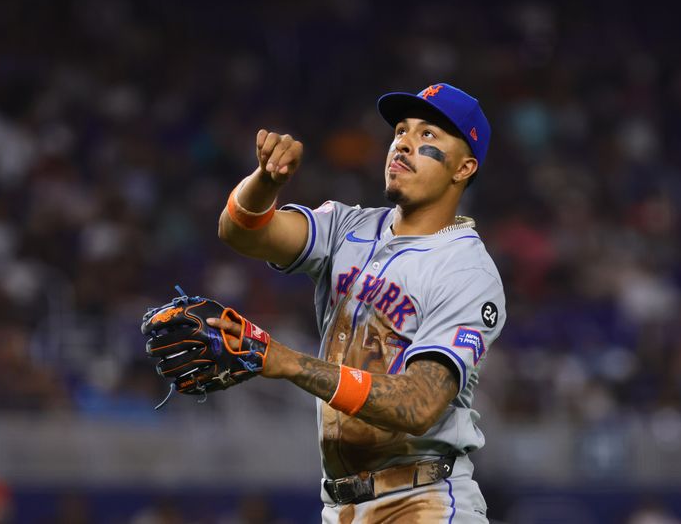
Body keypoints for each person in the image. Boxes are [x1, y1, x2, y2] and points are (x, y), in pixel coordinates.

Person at [214, 83, 506, 523]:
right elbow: (241, 232)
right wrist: (264, 182)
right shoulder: (348, 226)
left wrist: (289, 363)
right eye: (401, 131)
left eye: (429, 136)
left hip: (423, 500)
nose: (404, 142)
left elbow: (418, 405)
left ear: (464, 167)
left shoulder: (466, 270)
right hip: (342, 505)